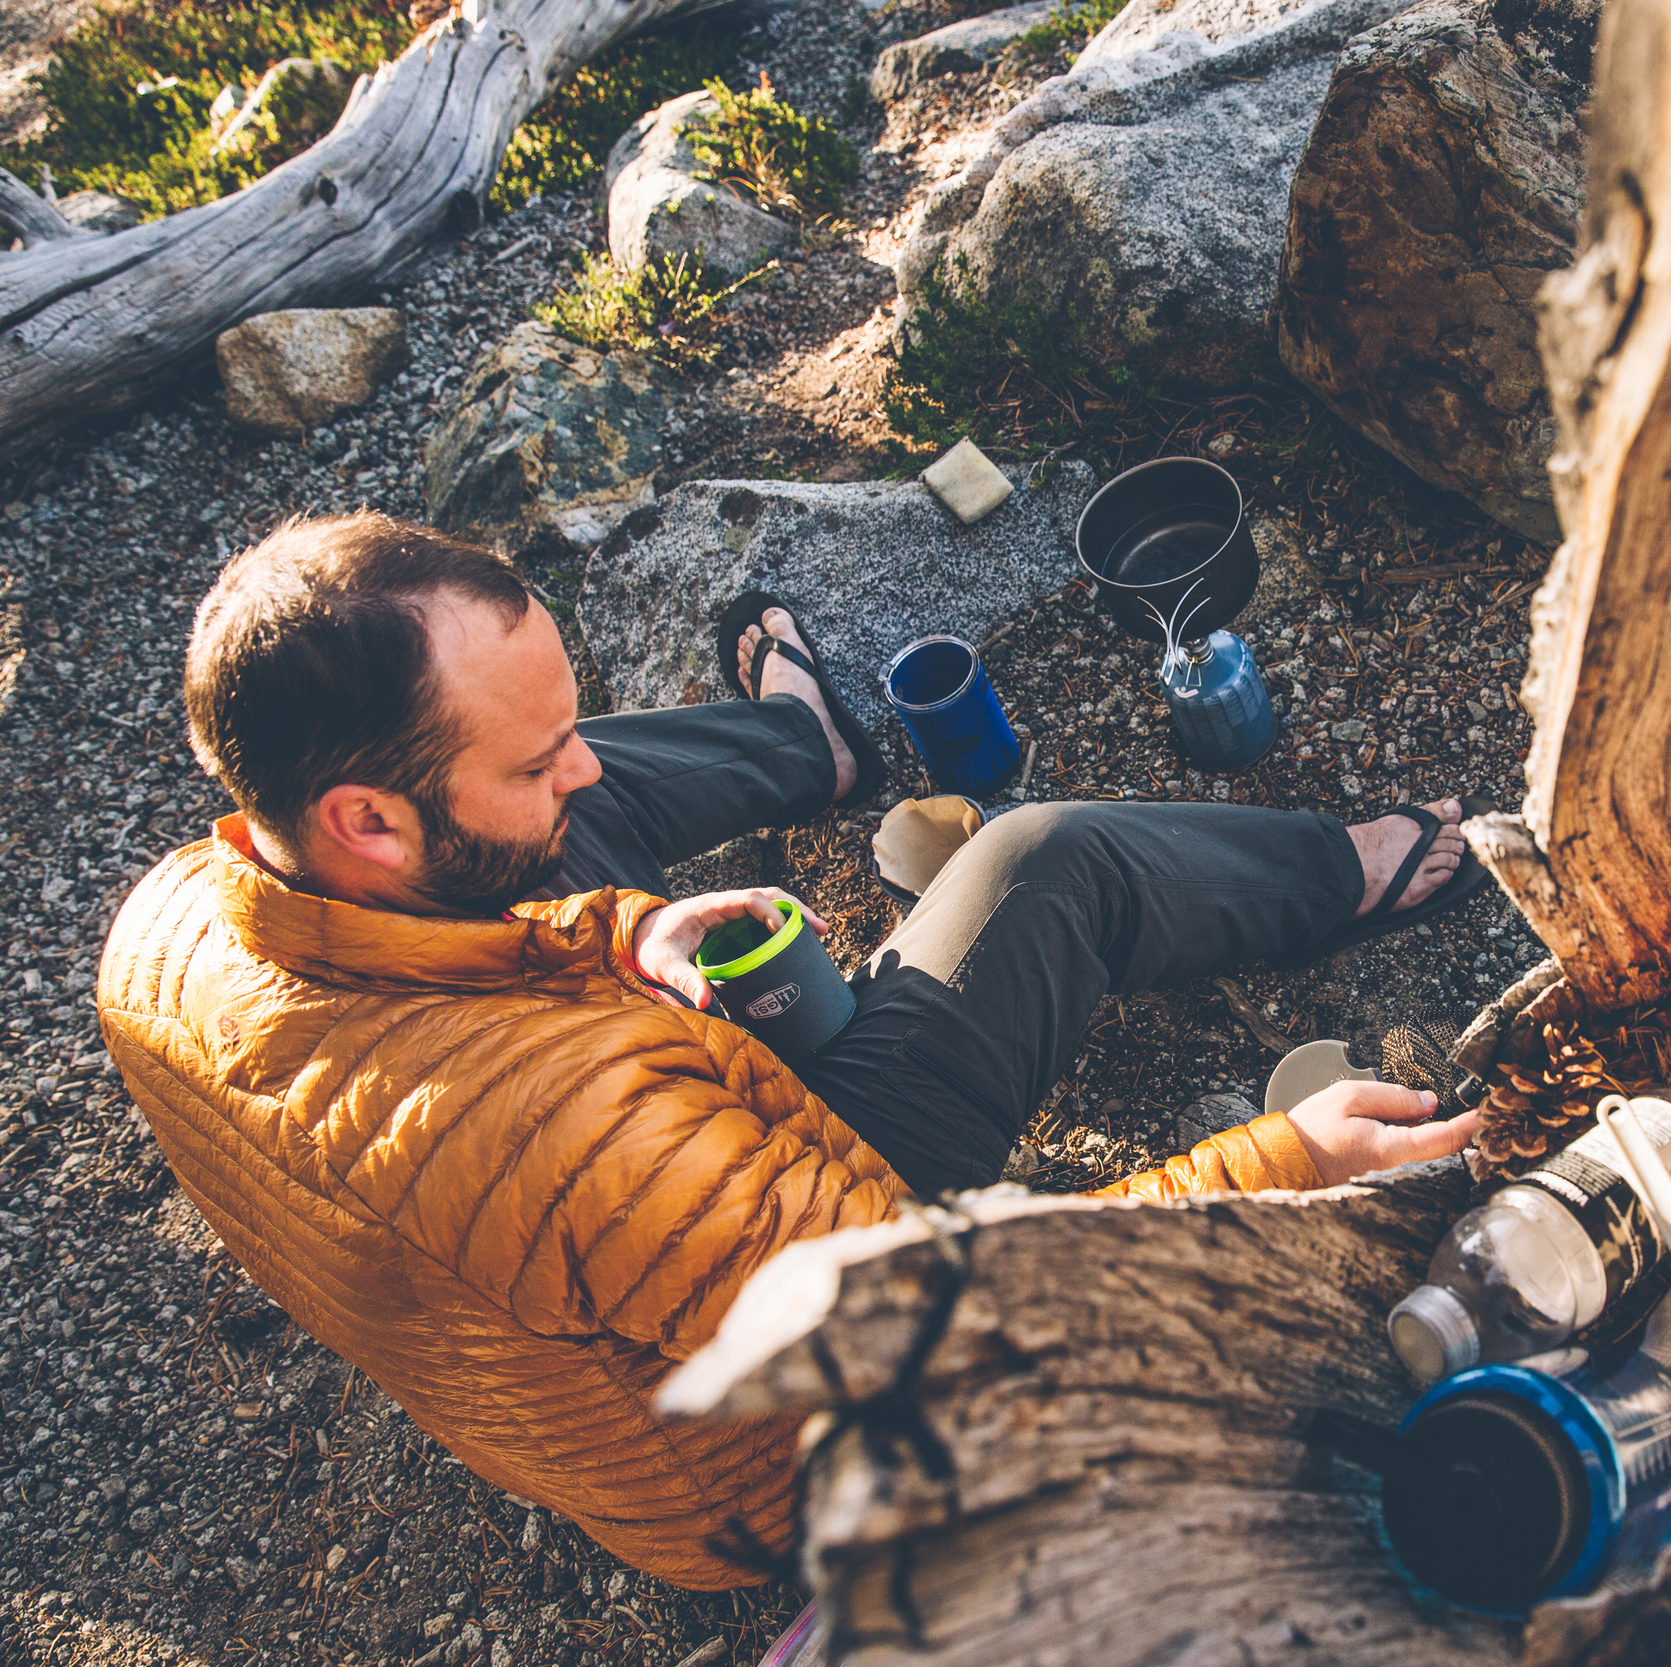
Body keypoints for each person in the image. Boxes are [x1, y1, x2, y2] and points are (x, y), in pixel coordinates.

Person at [97, 513, 1489, 1589]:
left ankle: (809, 744)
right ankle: (1341, 870)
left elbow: (486, 910)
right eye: (532, 761)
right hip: (759, 1469)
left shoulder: (170, 925)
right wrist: (1275, 1162)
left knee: (585, 814)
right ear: (368, 825)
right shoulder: (579, 1128)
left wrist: (615, 935)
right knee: (1045, 858)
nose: (571, 767)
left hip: (587, 1282)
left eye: (557, 729)